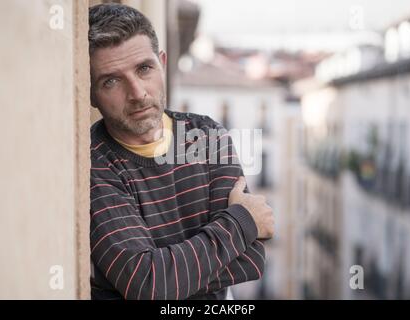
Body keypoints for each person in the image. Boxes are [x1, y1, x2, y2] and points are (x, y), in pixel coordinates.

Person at [88, 3, 274, 300]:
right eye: (111, 81)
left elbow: (249, 261)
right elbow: (149, 283)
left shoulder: (208, 136)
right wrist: (243, 222)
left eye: (144, 69)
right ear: (92, 94)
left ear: (162, 63)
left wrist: (169, 276)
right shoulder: (93, 164)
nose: (137, 93)